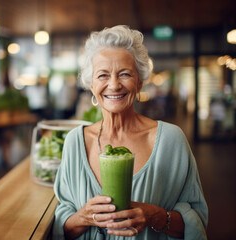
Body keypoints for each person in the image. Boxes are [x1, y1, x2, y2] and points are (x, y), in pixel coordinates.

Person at [53, 25, 208, 240]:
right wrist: (83, 217)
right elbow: (62, 227)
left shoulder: (171, 140)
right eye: (102, 75)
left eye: (125, 74)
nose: (114, 85)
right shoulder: (74, 142)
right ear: (91, 85)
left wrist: (157, 216)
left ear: (140, 82)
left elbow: (197, 223)